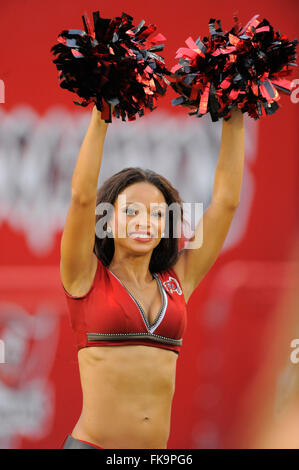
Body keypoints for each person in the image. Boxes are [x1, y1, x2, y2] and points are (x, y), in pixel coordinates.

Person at [60, 104, 244, 449]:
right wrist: (102, 113)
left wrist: (235, 114)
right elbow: (82, 197)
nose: (145, 221)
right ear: (106, 220)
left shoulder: (178, 279)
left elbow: (226, 202)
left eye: (157, 214)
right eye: (130, 211)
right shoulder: (84, 277)